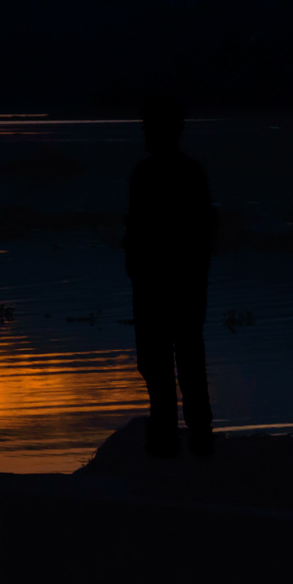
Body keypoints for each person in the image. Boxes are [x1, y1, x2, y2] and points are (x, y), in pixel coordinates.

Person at [124, 96, 217, 458]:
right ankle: (189, 437)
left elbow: (141, 230)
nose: (145, 134)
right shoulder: (185, 172)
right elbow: (204, 231)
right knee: (176, 359)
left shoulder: (153, 174)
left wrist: (139, 267)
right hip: (177, 283)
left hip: (163, 284)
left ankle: (175, 439)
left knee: (166, 361)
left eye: (149, 128)